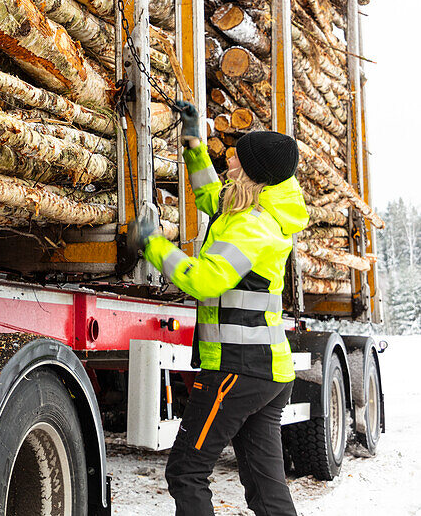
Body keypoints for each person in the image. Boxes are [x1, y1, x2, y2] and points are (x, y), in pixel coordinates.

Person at [128, 99, 309, 516]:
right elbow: (211, 195)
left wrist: (152, 244)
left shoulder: (253, 226)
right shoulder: (259, 205)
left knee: (187, 471)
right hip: (264, 372)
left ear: (251, 174)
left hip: (239, 369)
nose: (227, 163)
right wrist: (193, 143)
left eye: (235, 161)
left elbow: (204, 280)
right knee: (266, 489)